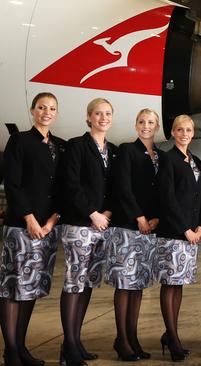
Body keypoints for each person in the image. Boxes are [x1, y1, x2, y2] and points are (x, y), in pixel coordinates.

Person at [0, 92, 65, 366]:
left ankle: (22, 347)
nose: (46, 112)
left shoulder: (60, 146)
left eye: (51, 108)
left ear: (56, 113)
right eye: (41, 107)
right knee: (13, 287)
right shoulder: (20, 140)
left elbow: (65, 187)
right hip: (22, 227)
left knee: (32, 288)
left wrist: (51, 222)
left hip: (48, 229)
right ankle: (11, 350)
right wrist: (30, 219)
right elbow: (12, 184)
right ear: (32, 110)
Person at [59, 98, 117, 366]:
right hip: (80, 225)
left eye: (107, 114)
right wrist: (92, 213)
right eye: (98, 113)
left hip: (101, 226)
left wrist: (106, 213)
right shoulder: (77, 145)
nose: (103, 118)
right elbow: (70, 185)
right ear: (89, 117)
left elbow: (114, 189)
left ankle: (76, 341)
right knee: (74, 283)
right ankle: (68, 346)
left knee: (87, 284)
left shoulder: (112, 150)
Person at [105, 108, 163, 361]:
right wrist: (139, 216)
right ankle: (122, 340)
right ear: (135, 125)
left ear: (157, 127)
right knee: (124, 285)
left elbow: (163, 190)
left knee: (138, 285)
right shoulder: (127, 150)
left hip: (149, 228)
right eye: (141, 122)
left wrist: (156, 217)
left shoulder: (160, 156)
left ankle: (133, 337)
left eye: (151, 122)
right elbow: (123, 187)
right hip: (127, 226)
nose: (146, 126)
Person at [155, 115, 201, 361]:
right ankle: (172, 338)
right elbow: (168, 198)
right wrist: (186, 229)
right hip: (174, 233)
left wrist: (200, 228)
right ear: (173, 133)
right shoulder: (168, 159)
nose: (184, 134)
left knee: (179, 284)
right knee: (169, 284)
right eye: (180, 130)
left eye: (188, 130)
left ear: (193, 133)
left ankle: (170, 333)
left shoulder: (195, 161)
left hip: (191, 235)